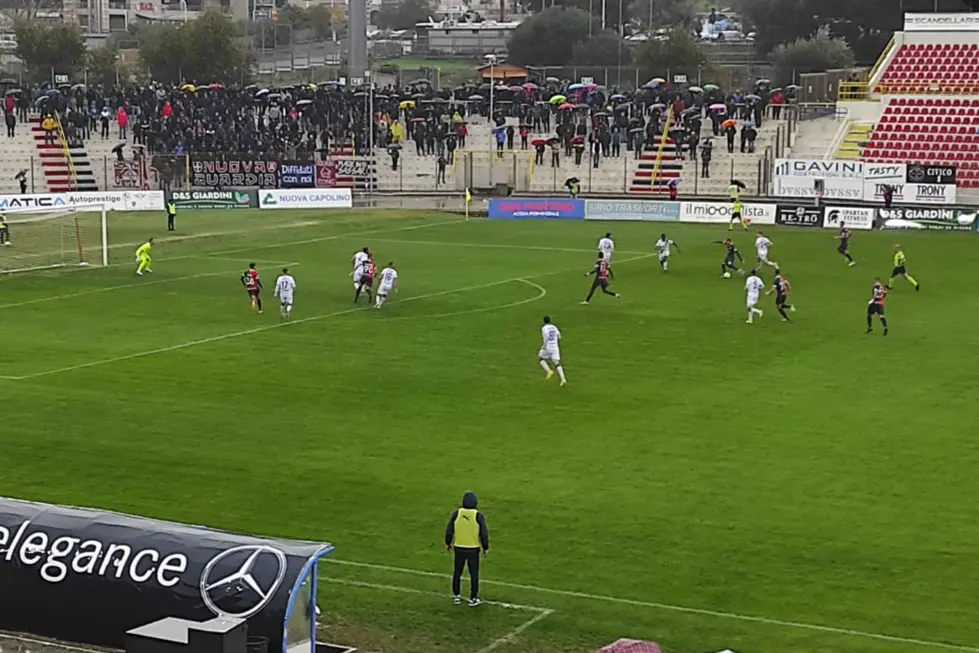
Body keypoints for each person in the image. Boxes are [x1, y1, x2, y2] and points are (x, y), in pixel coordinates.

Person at [444, 491, 489, 607]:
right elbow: (483, 533)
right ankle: (473, 598)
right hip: (473, 548)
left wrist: (448, 543)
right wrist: (485, 547)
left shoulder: (457, 513)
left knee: (457, 572)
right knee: (474, 574)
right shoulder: (478, 515)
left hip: (459, 547)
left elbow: (449, 529)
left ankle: (456, 596)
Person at [538, 315, 567, 386]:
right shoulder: (554, 327)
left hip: (548, 346)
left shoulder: (544, 328)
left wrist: (544, 346)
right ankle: (563, 379)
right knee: (557, 363)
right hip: (555, 347)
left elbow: (546, 336)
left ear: (544, 321)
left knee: (540, 358)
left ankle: (549, 371)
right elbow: (559, 336)